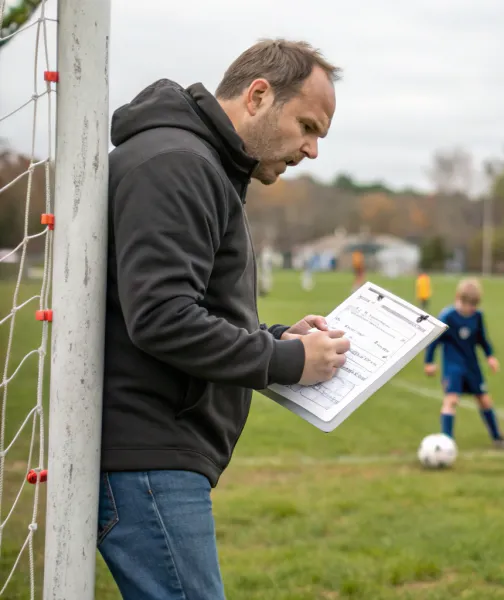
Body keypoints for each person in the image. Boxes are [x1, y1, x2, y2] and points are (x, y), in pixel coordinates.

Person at [99, 39, 350, 599]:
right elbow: (162, 318)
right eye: (307, 126)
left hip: (158, 453)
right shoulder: (179, 163)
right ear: (259, 96)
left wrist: (281, 336)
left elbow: (187, 306)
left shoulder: (199, 162)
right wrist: (287, 360)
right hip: (148, 452)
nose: (311, 150)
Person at [423, 278, 504, 450]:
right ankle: (447, 443)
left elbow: (482, 339)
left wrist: (490, 356)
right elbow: (434, 341)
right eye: (466, 304)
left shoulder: (478, 316)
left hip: (472, 365)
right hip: (453, 366)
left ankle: (497, 438)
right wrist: (429, 362)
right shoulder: (447, 317)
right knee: (451, 400)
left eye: (473, 305)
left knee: (484, 400)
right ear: (457, 298)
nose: (469, 308)